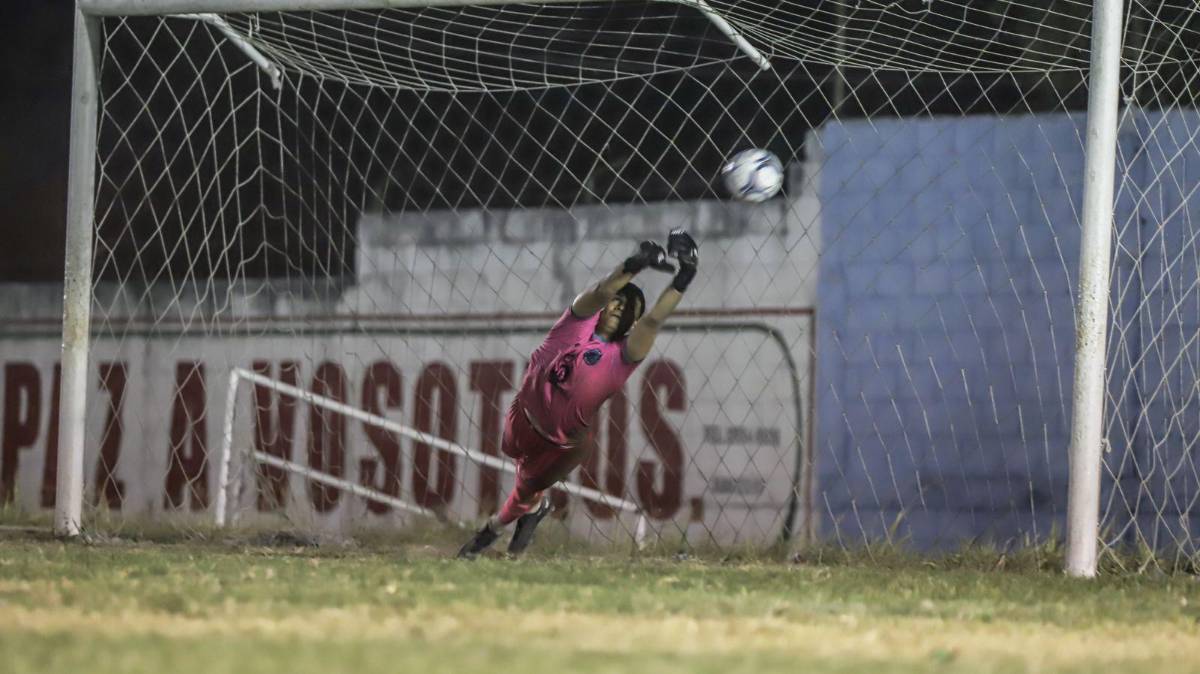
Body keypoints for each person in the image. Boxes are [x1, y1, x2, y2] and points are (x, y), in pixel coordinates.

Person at [457, 229, 699, 558]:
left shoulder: (621, 358)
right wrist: (635, 264)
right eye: (619, 299)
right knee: (513, 456)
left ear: (632, 320)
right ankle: (533, 510)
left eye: (630, 307)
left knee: (525, 490)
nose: (620, 306)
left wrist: (685, 274)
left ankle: (490, 533)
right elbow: (600, 292)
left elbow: (654, 320)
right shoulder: (574, 324)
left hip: (563, 444)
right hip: (522, 415)